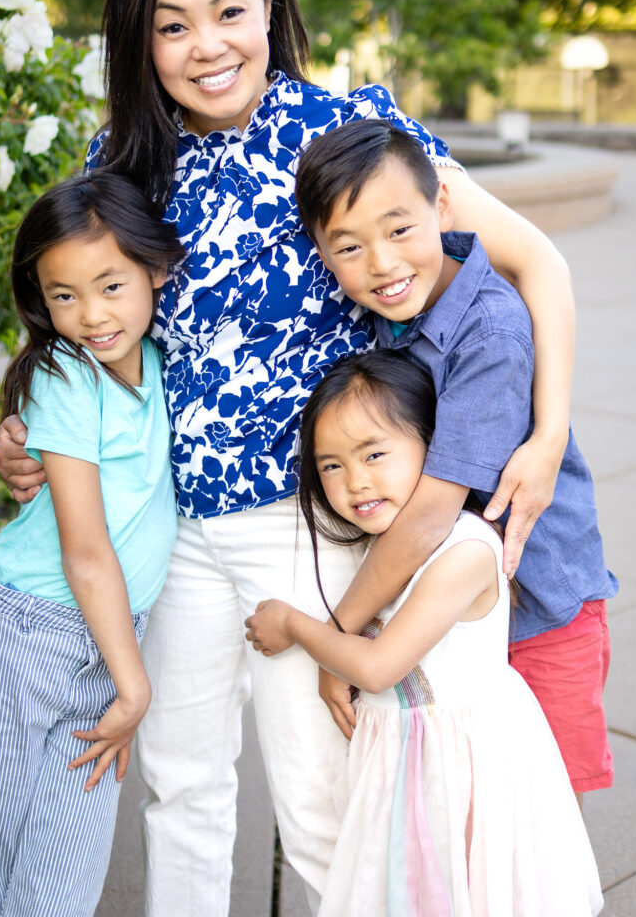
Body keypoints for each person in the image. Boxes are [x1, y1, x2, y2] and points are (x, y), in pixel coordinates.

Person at [0, 0, 579, 914]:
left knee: (319, 795)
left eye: (228, 11)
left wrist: (552, 425)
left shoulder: (348, 136)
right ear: (141, 40)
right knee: (181, 782)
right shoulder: (124, 164)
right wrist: (26, 429)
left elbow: (535, 257)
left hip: (302, 523)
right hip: (179, 525)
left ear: (271, 3)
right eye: (171, 25)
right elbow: (77, 319)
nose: (204, 45)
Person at [293, 118, 617, 805]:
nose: (381, 263)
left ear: (442, 206)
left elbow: (431, 513)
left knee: (544, 818)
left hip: (538, 611)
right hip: (460, 611)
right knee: (470, 812)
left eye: (399, 230)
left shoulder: (489, 330)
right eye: (348, 247)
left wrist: (336, 635)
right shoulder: (398, 308)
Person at [245, 351, 604, 917]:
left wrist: (293, 623)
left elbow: (377, 667)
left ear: (436, 449)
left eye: (374, 454)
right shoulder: (382, 549)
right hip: (413, 764)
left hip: (468, 770)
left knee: (476, 893)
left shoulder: (464, 550)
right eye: (331, 465)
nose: (355, 480)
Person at [0, 172, 182, 917]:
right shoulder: (64, 375)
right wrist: (134, 687)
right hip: (26, 637)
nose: (91, 314)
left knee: (64, 871)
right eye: (64, 295)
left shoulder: (159, 368)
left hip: (108, 643)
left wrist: (120, 676)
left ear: (156, 271)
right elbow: (84, 550)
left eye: (111, 285)